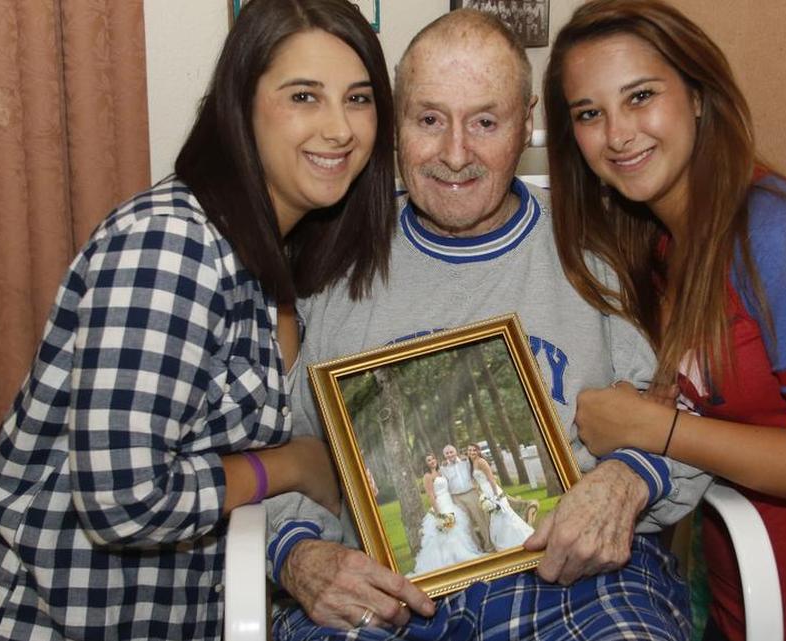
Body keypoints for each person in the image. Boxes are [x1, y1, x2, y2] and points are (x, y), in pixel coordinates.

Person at [265, 9, 706, 640]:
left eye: (485, 122)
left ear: (526, 122)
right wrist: (297, 554)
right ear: (396, 123)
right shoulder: (325, 257)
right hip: (375, 594)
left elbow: (688, 417)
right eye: (429, 120)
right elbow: (264, 450)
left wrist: (627, 480)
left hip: (574, 583)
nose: (454, 154)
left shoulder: (602, 244)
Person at [0, 1, 396, 639]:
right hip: (50, 616)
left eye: (358, 98)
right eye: (304, 96)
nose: (339, 129)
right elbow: (122, 499)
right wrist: (294, 464)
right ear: (240, 108)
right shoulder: (172, 243)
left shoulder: (279, 251)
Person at [543, 1, 786, 640]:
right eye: (590, 113)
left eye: (640, 96)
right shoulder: (661, 241)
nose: (617, 133)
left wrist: (655, 427)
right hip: (743, 608)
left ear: (698, 95)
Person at [409, 454, 484, 577]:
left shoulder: (440, 472)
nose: (432, 461)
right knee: (448, 533)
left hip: (449, 502)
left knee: (458, 530)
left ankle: (461, 555)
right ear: (425, 463)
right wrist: (439, 514)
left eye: (433, 459)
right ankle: (451, 561)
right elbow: (430, 496)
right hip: (441, 505)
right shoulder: (427, 476)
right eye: (429, 460)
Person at [466, 443, 535, 550]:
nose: (472, 452)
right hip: (485, 493)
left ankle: (519, 540)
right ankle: (507, 543)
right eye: (470, 450)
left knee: (505, 516)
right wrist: (481, 494)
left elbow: (491, 479)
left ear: (478, 451)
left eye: (474, 450)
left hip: (492, 491)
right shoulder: (472, 463)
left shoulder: (481, 462)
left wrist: (496, 496)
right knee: (497, 518)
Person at [439, 444, 493, 553]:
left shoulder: (466, 461)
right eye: (447, 453)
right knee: (466, 524)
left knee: (481, 519)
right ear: (444, 455)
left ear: (456, 452)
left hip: (471, 493)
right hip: (456, 498)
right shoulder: (443, 468)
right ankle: (477, 549)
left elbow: (477, 469)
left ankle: (489, 546)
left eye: (451, 452)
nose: (450, 455)